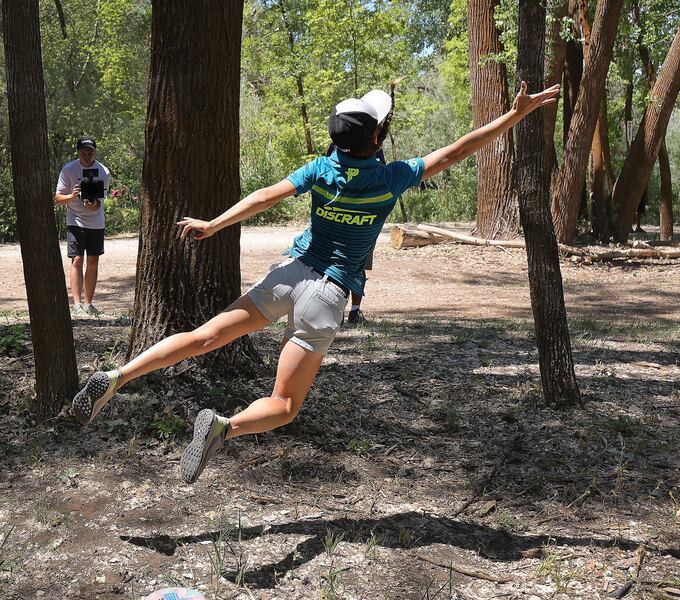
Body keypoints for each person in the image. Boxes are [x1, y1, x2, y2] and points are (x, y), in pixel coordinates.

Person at [70, 81, 560, 484]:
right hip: (326, 295)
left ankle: (119, 376)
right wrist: (514, 115)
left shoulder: (321, 170)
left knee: (204, 337)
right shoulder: (391, 177)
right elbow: (459, 150)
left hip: (289, 275)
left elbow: (264, 196)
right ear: (374, 141)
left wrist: (215, 224)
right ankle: (223, 427)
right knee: (284, 405)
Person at [324, 142, 387, 325]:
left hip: (365, 218)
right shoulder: (335, 146)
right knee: (335, 264)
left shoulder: (375, 147)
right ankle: (337, 310)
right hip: (338, 217)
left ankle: (355, 311)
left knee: (359, 266)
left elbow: (381, 174)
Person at [54, 136, 111, 317]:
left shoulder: (103, 172)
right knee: (77, 259)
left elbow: (99, 204)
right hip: (75, 219)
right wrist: (72, 196)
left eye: (90, 152)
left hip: (95, 221)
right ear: (78, 152)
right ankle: (77, 304)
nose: (86, 156)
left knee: (93, 260)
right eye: (83, 152)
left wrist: (91, 204)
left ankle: (88, 303)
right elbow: (58, 199)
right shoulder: (69, 169)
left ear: (95, 152)